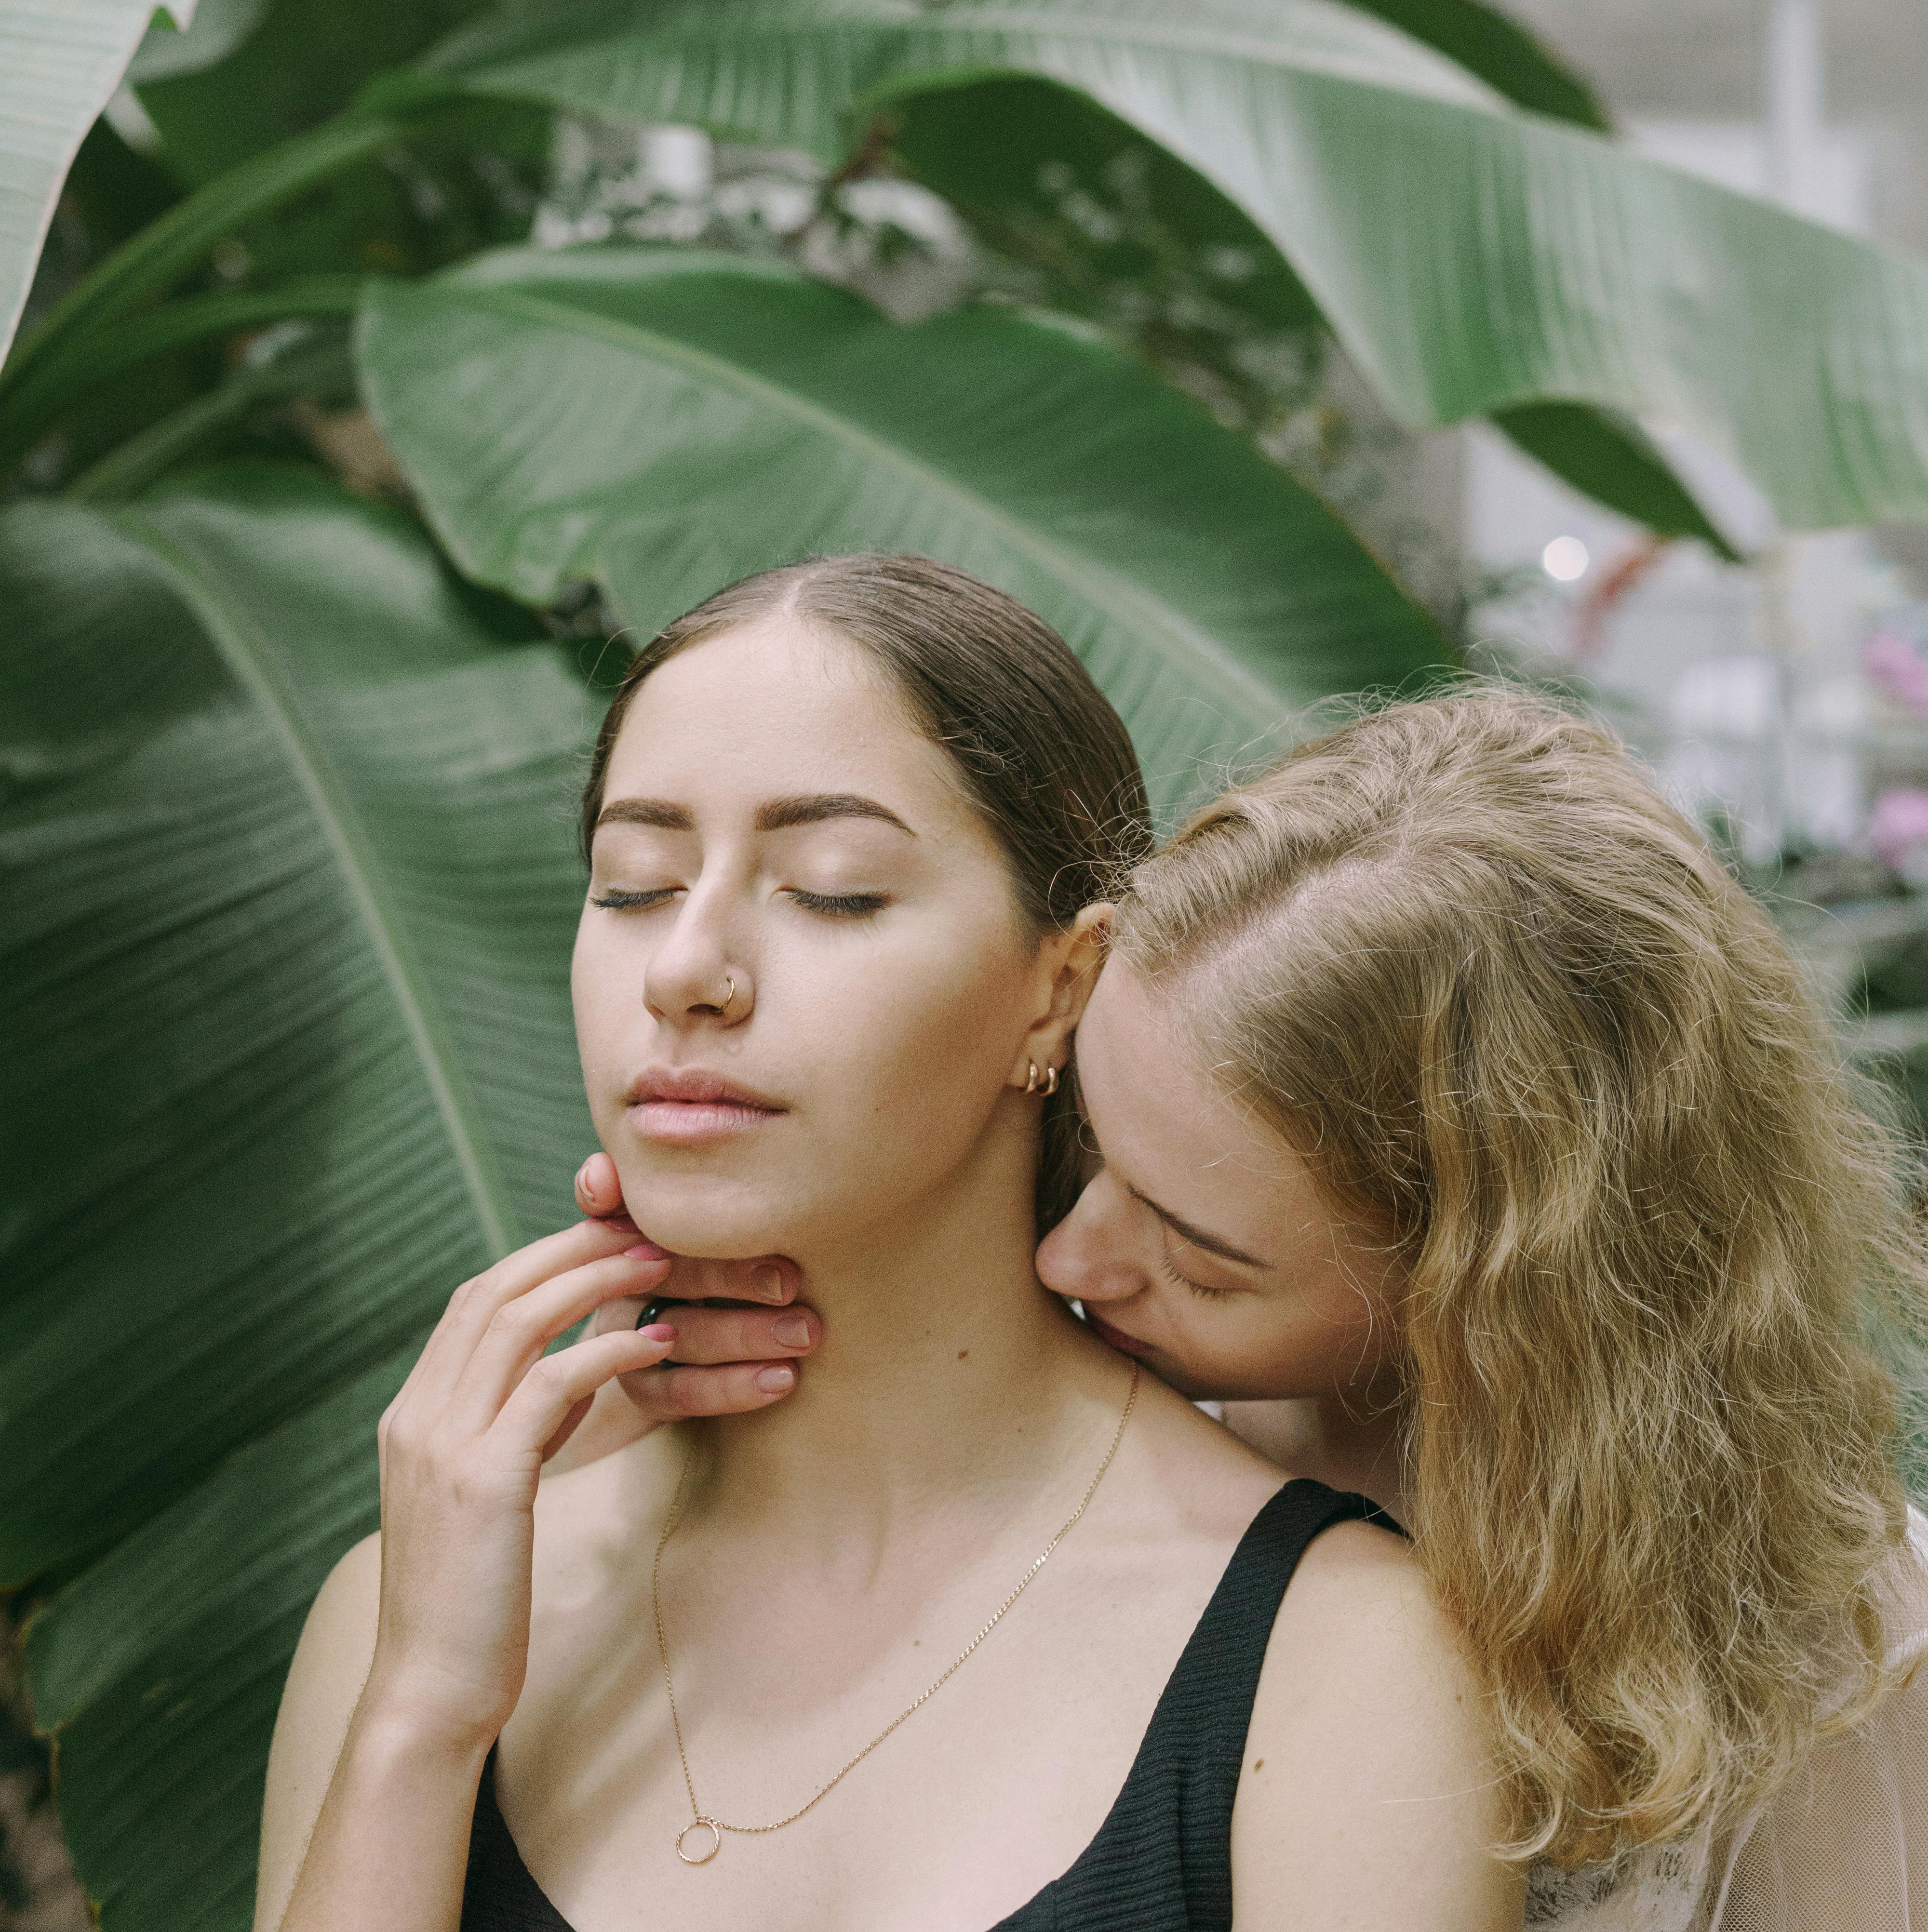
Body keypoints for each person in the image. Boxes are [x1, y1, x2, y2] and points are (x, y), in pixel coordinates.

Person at [253, 556, 1519, 1932]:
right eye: (632, 885)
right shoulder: (413, 1614)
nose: (684, 969)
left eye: (835, 891)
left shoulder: (1342, 1663)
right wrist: (422, 1723)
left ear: (1061, 988)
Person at [576, 680, 1928, 1928]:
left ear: (1485, 1297)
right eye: (1095, 1146)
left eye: (1203, 1256)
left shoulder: (1836, 1659)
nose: (1071, 1260)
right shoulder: (1105, 1437)